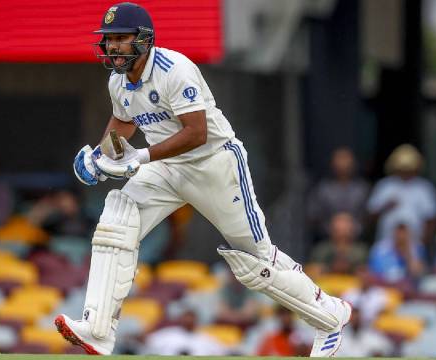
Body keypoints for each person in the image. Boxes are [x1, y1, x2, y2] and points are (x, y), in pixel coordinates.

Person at [54, 2, 351, 357]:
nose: (114, 46)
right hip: (166, 168)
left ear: (144, 40)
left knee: (254, 262)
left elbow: (196, 133)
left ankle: (330, 317)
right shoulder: (118, 82)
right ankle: (99, 329)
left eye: (121, 38)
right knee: (117, 217)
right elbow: (122, 124)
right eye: (109, 39)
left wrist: (142, 156)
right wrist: (100, 157)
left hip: (214, 163)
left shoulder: (175, 69)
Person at [366, 144, 436, 247]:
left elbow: (431, 219)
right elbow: (370, 215)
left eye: (409, 168)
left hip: (415, 244)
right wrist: (385, 206)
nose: (406, 171)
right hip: (385, 243)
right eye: (402, 168)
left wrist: (423, 243)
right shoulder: (384, 186)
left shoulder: (425, 188)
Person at [307, 147, 369, 242]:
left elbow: (368, 215)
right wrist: (334, 227)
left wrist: (351, 227)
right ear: (332, 164)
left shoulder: (362, 188)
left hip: (357, 240)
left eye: (346, 160)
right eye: (339, 159)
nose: (343, 164)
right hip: (327, 239)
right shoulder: (323, 188)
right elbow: (313, 215)